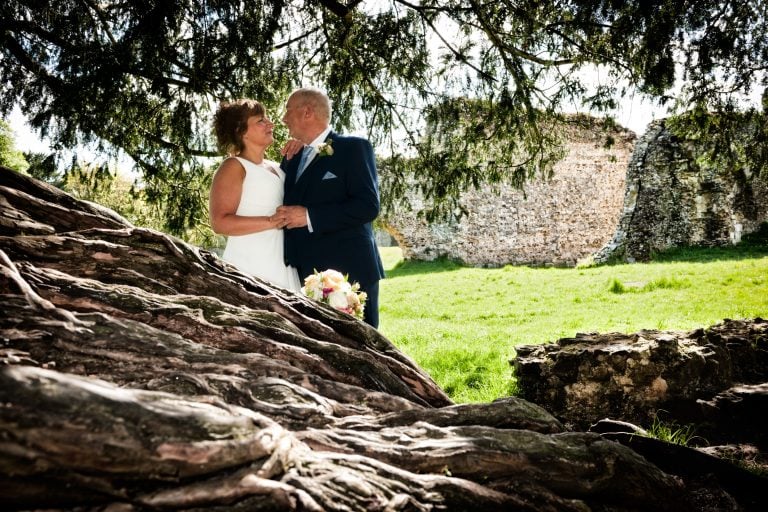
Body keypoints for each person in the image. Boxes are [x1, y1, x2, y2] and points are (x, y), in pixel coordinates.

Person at [277, 87, 385, 327]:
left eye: (288, 111)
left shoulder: (354, 148)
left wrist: (309, 216)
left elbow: (367, 206)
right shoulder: (291, 156)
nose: (284, 119)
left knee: (362, 347)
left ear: (307, 112)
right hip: (303, 274)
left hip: (349, 271)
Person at [209, 99, 301, 291]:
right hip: (250, 263)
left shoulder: (277, 167)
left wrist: (302, 148)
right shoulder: (233, 166)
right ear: (241, 131)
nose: (270, 124)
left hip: (282, 262)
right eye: (260, 121)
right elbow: (220, 222)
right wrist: (270, 221)